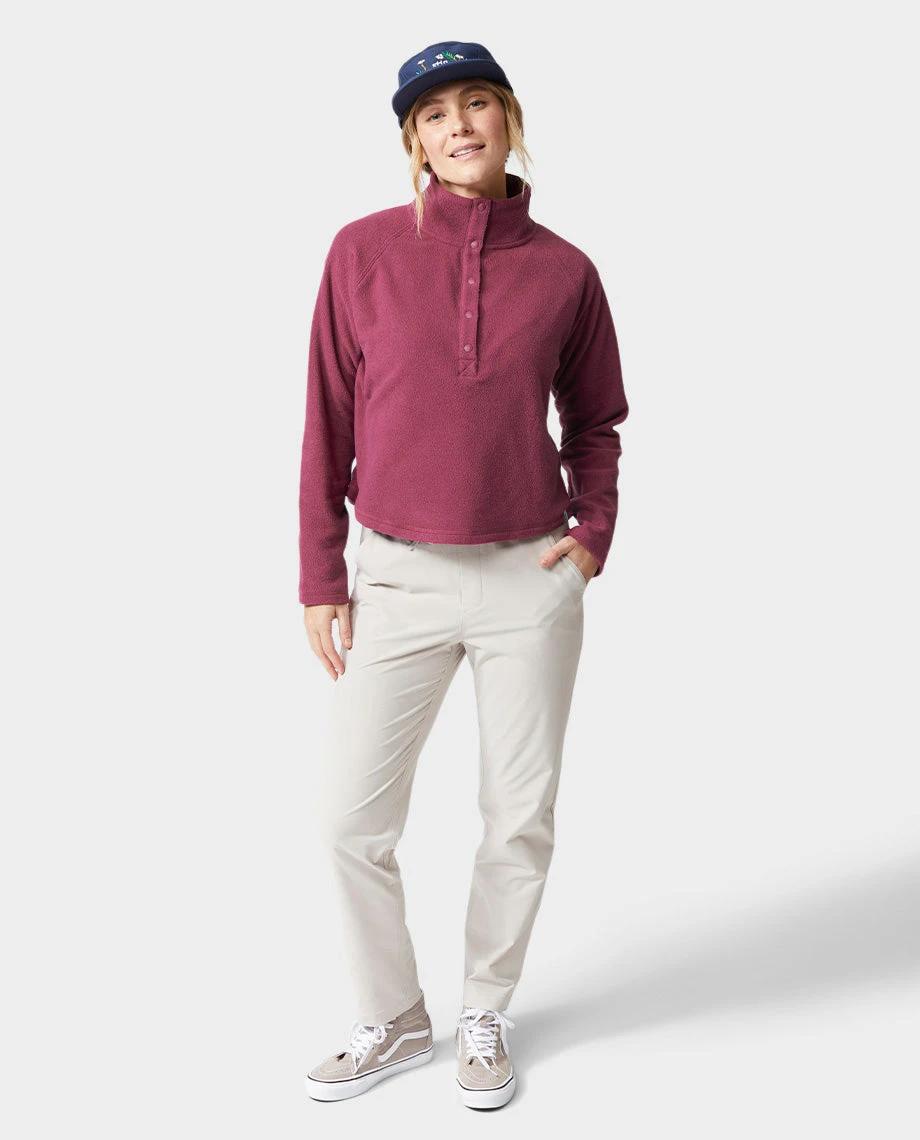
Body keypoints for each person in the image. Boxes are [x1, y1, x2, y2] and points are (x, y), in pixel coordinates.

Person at [299, 40, 629, 1110]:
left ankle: (486, 1006)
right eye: (434, 114)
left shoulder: (566, 272)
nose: (458, 126)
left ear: (508, 121)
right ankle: (395, 1017)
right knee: (349, 820)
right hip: (396, 576)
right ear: (414, 142)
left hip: (529, 577)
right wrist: (320, 574)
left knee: (517, 816)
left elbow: (596, 421)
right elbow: (326, 420)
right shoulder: (360, 253)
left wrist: (592, 533)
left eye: (477, 103)